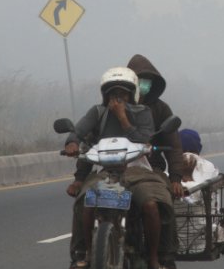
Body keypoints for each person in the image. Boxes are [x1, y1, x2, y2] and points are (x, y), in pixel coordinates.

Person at [64, 67, 171, 269]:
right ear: (105, 95)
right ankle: (86, 253)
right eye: (113, 93)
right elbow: (79, 132)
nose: (118, 98)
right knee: (85, 203)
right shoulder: (98, 112)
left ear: (132, 95)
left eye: (123, 93)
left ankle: (156, 258)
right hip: (106, 170)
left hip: (138, 171)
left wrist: (123, 118)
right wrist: (72, 143)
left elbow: (143, 138)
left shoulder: (143, 112)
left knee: (151, 204)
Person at [127, 54, 184, 269]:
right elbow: (90, 140)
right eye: (140, 80)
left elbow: (174, 147)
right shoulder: (111, 107)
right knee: (86, 203)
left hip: (151, 170)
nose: (144, 85)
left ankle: (163, 256)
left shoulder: (160, 109)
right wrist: (80, 176)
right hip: (115, 168)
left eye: (147, 81)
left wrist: (176, 177)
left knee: (160, 204)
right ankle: (82, 254)